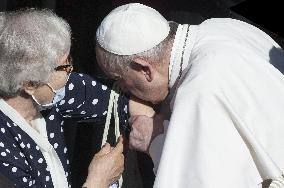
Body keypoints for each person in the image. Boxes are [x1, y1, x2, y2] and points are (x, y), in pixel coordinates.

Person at [95, 3, 284, 188]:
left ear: (145, 69)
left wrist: (154, 141)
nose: (120, 88)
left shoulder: (199, 92)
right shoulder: (222, 26)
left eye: (119, 79)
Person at [0, 9, 133, 188]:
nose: (71, 69)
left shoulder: (49, 96)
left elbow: (112, 100)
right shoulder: (4, 149)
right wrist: (98, 181)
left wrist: (139, 109)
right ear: (30, 83)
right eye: (64, 65)